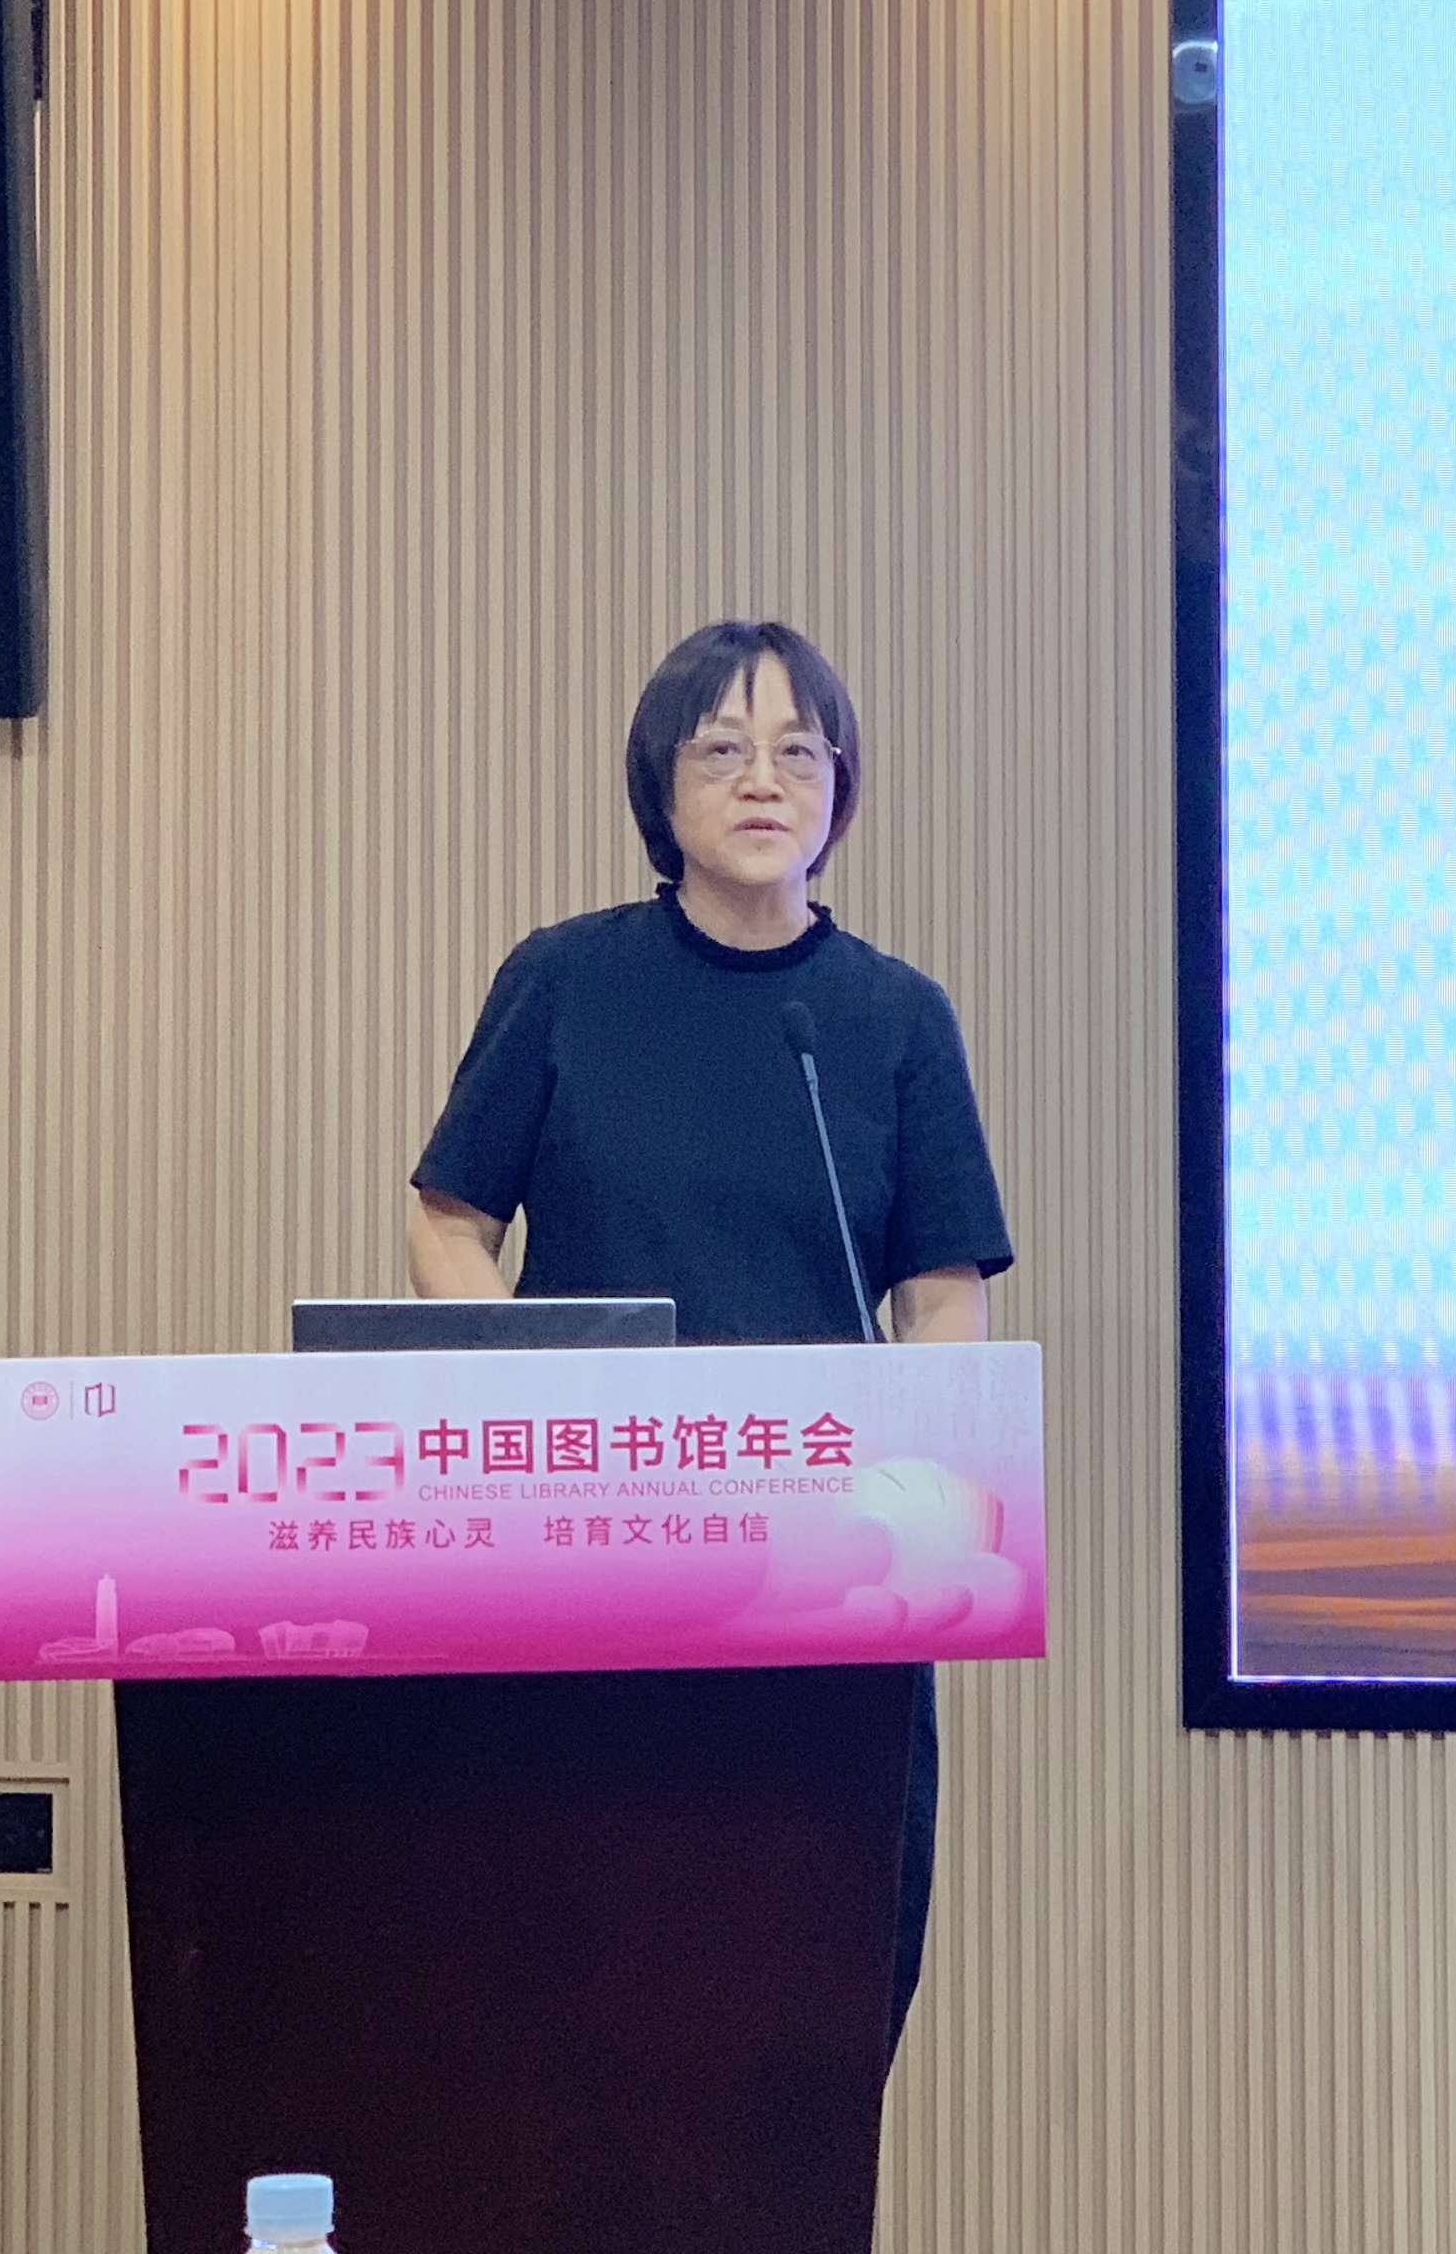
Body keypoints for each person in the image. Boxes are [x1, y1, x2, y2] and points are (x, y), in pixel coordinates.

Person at [407, 618, 1017, 2047]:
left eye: (800, 752)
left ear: (840, 789)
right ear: (659, 784)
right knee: (580, 1994)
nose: (763, 780)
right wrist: (524, 1403)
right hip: (591, 1569)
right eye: (723, 749)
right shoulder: (566, 981)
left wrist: (923, 1506)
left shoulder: (892, 1019)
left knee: (808, 2006)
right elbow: (447, 1219)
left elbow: (941, 1299)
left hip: (830, 1591)